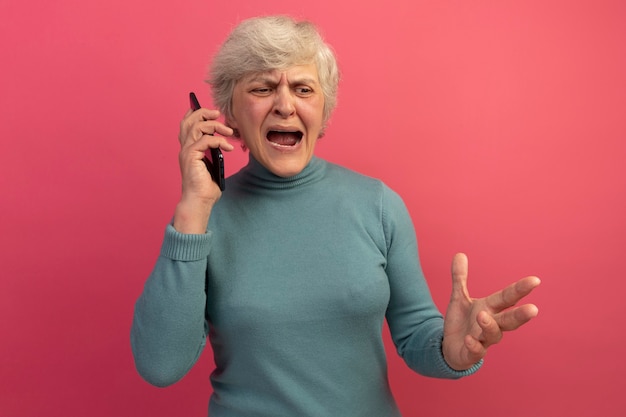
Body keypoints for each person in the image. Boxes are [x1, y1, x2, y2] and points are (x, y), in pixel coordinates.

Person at [131, 15, 540, 417]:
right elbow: (160, 366)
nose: (285, 105)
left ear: (323, 110)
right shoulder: (204, 218)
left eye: (303, 89)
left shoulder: (377, 205)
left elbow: (417, 335)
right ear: (230, 114)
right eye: (263, 87)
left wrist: (452, 350)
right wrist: (192, 209)